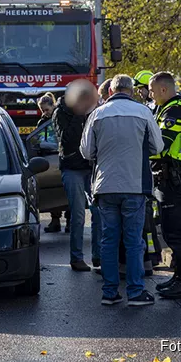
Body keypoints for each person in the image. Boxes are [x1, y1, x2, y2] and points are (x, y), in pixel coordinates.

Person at [80, 74, 163, 306]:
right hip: (135, 185)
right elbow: (157, 146)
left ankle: (109, 292)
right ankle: (135, 292)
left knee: (108, 239)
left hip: (105, 186)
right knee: (134, 241)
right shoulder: (144, 113)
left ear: (110, 92)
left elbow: (86, 152)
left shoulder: (97, 114)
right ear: (132, 90)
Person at [148, 71, 181, 299]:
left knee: (177, 232)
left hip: (175, 178)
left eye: (152, 90)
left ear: (163, 90)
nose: (150, 94)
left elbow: (160, 146)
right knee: (170, 229)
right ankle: (179, 277)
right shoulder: (166, 110)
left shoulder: (176, 112)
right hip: (168, 177)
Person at [53, 80, 101, 271]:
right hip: (72, 168)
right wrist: (78, 115)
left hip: (90, 168)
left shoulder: (92, 111)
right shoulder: (61, 112)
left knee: (98, 212)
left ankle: (98, 255)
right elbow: (67, 140)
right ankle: (77, 258)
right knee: (78, 215)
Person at [38, 92, 70, 233]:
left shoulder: (60, 118)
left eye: (46, 109)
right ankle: (55, 220)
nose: (45, 113)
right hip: (50, 158)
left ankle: (70, 221)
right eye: (42, 110)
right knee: (54, 192)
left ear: (52, 106)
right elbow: (40, 139)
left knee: (67, 192)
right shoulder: (42, 122)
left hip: (62, 157)